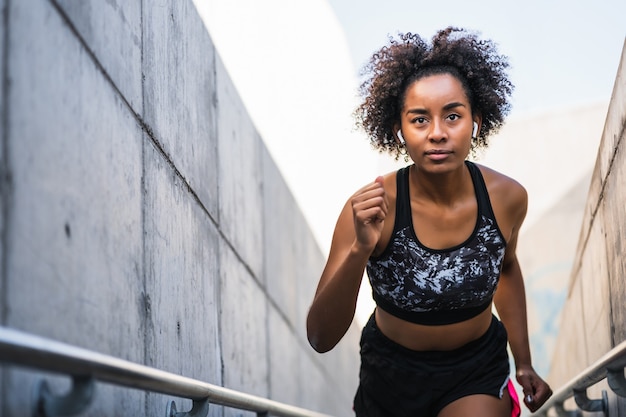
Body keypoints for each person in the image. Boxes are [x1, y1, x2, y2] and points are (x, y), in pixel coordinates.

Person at [306, 27, 552, 417]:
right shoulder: (370, 208)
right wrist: (360, 250)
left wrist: (523, 362)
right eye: (419, 120)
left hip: (476, 370)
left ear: (475, 121)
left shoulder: (507, 198)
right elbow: (320, 337)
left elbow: (505, 269)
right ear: (399, 131)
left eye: (452, 116)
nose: (437, 133)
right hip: (391, 376)